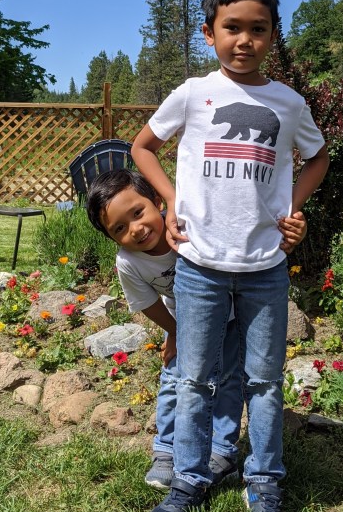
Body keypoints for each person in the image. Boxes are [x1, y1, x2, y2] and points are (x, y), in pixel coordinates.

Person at [131, 0, 329, 512]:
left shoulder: (288, 104)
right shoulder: (194, 93)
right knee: (194, 378)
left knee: (264, 382)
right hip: (199, 263)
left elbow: (317, 158)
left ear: (272, 35)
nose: (245, 40)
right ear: (209, 33)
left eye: (257, 29)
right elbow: (143, 146)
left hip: (265, 264)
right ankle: (188, 480)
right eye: (232, 28)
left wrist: (294, 209)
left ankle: (264, 486)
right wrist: (170, 200)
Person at [85, 168, 243, 490]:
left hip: (229, 317)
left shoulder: (186, 228)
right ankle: (166, 451)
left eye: (137, 213)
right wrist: (176, 333)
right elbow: (147, 302)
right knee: (173, 380)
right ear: (112, 238)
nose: (136, 229)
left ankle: (222, 451)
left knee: (228, 380)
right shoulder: (128, 262)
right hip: (183, 322)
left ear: (157, 201)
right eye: (120, 228)